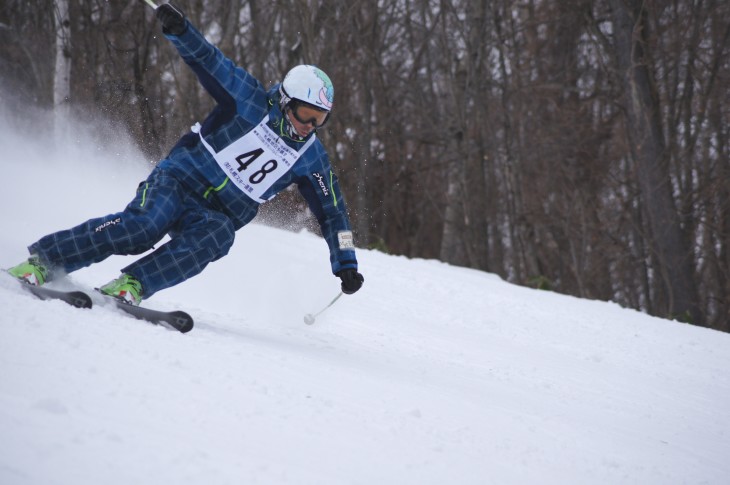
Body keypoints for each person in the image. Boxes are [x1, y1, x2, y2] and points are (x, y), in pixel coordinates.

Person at [7, 3, 364, 305]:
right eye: (306, 115)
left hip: (216, 214)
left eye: (320, 120)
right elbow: (210, 61)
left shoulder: (310, 157)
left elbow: (334, 212)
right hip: (178, 180)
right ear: (286, 101)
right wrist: (180, 30)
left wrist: (345, 260)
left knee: (219, 235)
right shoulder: (250, 101)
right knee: (142, 228)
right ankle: (45, 260)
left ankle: (133, 285)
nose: (310, 126)